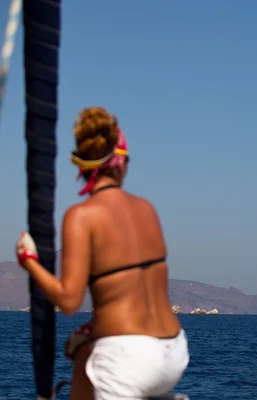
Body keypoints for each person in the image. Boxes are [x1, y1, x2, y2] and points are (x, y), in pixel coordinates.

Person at [15, 107, 189, 400]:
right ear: (121, 164)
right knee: (83, 351)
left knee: (90, 352)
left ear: (82, 166)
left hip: (129, 361)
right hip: (174, 352)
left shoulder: (81, 217)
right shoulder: (148, 210)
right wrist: (93, 330)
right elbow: (133, 291)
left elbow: (69, 301)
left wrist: (29, 262)